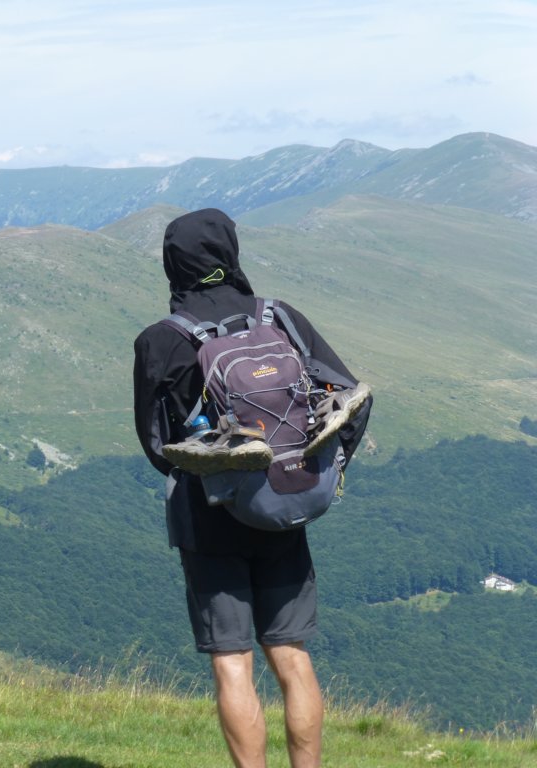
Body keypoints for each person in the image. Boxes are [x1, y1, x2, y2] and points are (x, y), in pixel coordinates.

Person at [132, 208, 371, 768]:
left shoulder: (161, 340)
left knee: (232, 662)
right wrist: (316, 469)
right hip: (284, 501)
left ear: (173, 263)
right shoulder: (279, 318)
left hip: (209, 519)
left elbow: (157, 445)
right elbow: (345, 399)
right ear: (230, 251)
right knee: (291, 655)